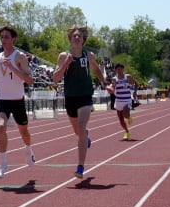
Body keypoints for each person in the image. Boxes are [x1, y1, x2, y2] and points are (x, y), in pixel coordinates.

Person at [52, 25, 107, 179]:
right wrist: (65, 64)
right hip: (70, 97)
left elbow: (96, 70)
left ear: (83, 40)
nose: (77, 38)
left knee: (81, 127)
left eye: (80, 36)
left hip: (85, 96)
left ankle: (80, 166)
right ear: (70, 39)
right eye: (74, 36)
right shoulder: (63, 56)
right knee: (78, 131)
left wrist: (105, 83)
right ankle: (86, 136)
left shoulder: (88, 55)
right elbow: (55, 79)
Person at [0, 26, 36, 178]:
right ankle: (3, 165)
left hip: (17, 100)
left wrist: (12, 68)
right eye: (2, 37)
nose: (3, 40)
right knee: (1, 128)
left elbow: (29, 80)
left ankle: (28, 149)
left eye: (7, 37)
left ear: (13, 39)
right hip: (3, 100)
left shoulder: (19, 57)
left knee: (24, 132)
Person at [107, 63, 136, 141]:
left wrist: (135, 92)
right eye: (117, 69)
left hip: (127, 99)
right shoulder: (114, 79)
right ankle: (127, 132)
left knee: (125, 114)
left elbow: (136, 83)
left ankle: (128, 116)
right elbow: (113, 89)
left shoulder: (128, 76)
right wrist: (110, 90)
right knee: (121, 120)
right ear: (115, 70)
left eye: (120, 69)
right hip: (118, 100)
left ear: (123, 69)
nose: (119, 71)